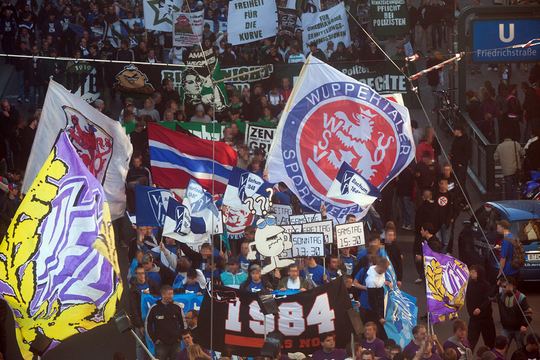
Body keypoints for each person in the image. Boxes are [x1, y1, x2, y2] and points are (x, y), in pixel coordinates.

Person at [146, 285, 185, 360]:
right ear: (163, 294)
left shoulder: (177, 307)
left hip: (176, 343)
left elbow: (183, 323)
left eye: (172, 294)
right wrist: (154, 339)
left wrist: (180, 337)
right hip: (161, 343)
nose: (172, 296)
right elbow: (148, 324)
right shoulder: (154, 308)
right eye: (169, 294)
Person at [465, 265, 496, 351]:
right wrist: (471, 312)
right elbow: (468, 300)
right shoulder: (469, 284)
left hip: (486, 318)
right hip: (474, 318)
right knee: (470, 342)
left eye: (473, 272)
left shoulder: (486, 285)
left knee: (490, 341)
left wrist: (480, 309)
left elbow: (488, 299)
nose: (471, 273)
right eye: (470, 271)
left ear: (479, 273)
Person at [497, 277, 532, 348]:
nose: (503, 288)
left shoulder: (521, 297)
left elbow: (528, 313)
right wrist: (496, 285)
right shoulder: (501, 296)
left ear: (512, 286)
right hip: (506, 328)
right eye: (502, 286)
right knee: (502, 349)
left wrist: (524, 325)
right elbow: (490, 295)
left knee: (520, 348)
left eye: (505, 286)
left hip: (519, 329)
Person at [494, 136, 522, 200]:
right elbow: (523, 153)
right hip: (516, 169)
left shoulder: (499, 146)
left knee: (508, 187)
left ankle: (509, 201)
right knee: (515, 185)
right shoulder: (516, 144)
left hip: (506, 171)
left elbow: (495, 158)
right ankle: (516, 200)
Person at [433, 178, 457, 253]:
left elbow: (455, 208)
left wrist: (452, 218)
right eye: (442, 183)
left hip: (447, 222)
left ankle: (443, 254)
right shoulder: (435, 195)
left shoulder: (451, 196)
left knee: (445, 242)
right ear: (439, 184)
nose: (444, 186)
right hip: (436, 222)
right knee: (438, 241)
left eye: (446, 184)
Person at [449, 124, 471, 191]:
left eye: (455, 130)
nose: (453, 132)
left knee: (460, 182)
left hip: (461, 165)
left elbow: (467, 153)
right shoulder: (456, 139)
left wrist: (461, 163)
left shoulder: (465, 140)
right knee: (454, 181)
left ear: (459, 131)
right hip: (454, 163)